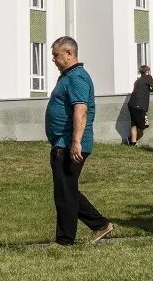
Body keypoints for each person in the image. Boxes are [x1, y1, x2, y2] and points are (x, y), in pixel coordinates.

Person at [44, 36, 114, 247]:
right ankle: (101, 225)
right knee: (67, 190)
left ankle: (65, 240)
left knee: (64, 192)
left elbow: (81, 110)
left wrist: (75, 142)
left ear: (69, 53)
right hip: (62, 142)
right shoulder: (67, 77)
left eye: (56, 55)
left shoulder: (77, 77)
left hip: (70, 145)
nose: (53, 60)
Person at [125, 65, 153, 146]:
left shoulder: (138, 81)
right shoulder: (148, 77)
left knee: (134, 124)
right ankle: (131, 139)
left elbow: (151, 89)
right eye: (149, 71)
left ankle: (132, 142)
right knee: (144, 125)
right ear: (147, 72)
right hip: (139, 106)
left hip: (131, 105)